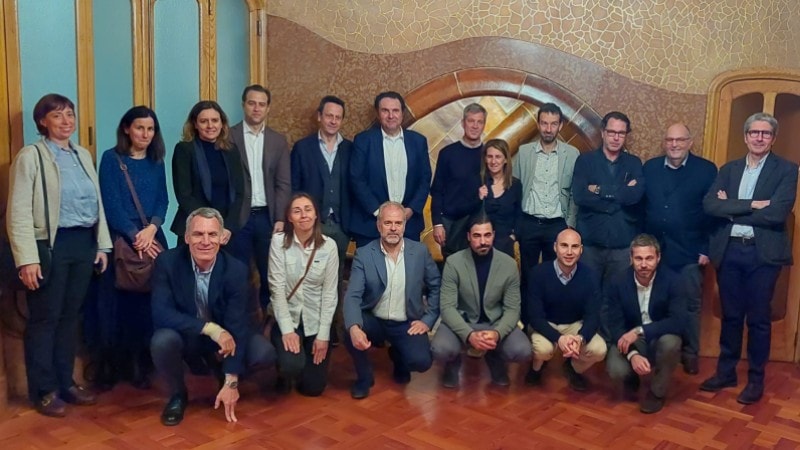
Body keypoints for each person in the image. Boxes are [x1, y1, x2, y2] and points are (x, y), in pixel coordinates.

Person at [7, 93, 112, 417]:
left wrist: (103, 245)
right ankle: (44, 389)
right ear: (43, 121)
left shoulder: (82, 154)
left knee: (70, 318)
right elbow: (19, 212)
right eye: (57, 116)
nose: (66, 121)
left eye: (70, 114)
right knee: (44, 319)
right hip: (48, 247)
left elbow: (97, 204)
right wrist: (26, 259)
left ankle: (66, 382)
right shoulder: (31, 156)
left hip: (83, 243)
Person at [700, 112, 798, 404]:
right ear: (745, 137)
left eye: (765, 134)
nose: (759, 138)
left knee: (758, 319)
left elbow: (777, 213)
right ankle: (726, 372)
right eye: (754, 132)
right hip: (730, 251)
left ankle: (756, 380)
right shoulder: (729, 169)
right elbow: (710, 205)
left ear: (773, 138)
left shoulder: (788, 170)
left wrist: (732, 208)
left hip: (762, 255)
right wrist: (753, 204)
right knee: (731, 316)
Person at [150, 207, 277, 426]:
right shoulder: (167, 262)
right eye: (198, 234)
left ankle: (223, 373)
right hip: (190, 334)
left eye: (212, 234)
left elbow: (236, 325)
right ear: (187, 237)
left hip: (227, 336)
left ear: (222, 238)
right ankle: (178, 395)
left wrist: (232, 380)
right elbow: (161, 313)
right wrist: (211, 329)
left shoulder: (235, 270)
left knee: (263, 353)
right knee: (162, 341)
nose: (205, 241)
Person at [97, 106, 169, 388]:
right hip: (123, 244)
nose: (145, 134)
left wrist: (151, 230)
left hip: (153, 239)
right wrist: (135, 236)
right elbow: (111, 204)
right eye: (140, 128)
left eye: (150, 129)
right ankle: (122, 366)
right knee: (124, 306)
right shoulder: (111, 159)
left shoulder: (156, 160)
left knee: (152, 304)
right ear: (127, 128)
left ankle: (147, 363)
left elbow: (163, 200)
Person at [343, 201, 441, 399]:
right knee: (350, 328)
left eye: (398, 223)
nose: (393, 228)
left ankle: (399, 356)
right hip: (374, 319)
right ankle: (364, 378)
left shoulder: (420, 252)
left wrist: (428, 319)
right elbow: (352, 295)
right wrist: (354, 327)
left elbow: (436, 286)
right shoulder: (364, 254)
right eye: (388, 223)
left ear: (404, 226)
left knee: (422, 361)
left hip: (406, 322)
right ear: (379, 226)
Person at [642, 123, 717, 375]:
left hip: (690, 251)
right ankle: (656, 352)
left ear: (690, 142)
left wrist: (707, 248)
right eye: (670, 140)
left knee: (691, 305)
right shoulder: (650, 168)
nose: (674, 145)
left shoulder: (706, 170)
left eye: (680, 140)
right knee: (655, 303)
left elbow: (713, 214)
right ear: (664, 142)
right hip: (655, 252)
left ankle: (690, 353)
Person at [431, 214, 531, 388]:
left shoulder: (508, 264)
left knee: (522, 350)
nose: (483, 241)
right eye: (477, 236)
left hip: (495, 323)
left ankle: (496, 359)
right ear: (469, 236)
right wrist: (469, 335)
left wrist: (497, 333)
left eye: (487, 235)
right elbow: (447, 307)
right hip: (463, 321)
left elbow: (513, 310)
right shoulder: (454, 263)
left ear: (493, 235)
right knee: (441, 348)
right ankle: (452, 364)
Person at [291, 95, 353, 343]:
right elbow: (295, 187)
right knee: (307, 276)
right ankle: (306, 328)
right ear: (319, 116)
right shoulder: (302, 148)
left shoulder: (349, 148)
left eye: (338, 117)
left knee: (334, 281)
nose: (333, 121)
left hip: (340, 226)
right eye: (329, 116)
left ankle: (332, 329)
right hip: (310, 226)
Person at [605, 234, 686, 414]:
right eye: (638, 258)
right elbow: (614, 324)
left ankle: (657, 392)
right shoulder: (618, 281)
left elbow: (678, 322)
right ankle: (631, 374)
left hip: (659, 336)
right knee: (615, 370)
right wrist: (633, 354)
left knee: (672, 342)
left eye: (649, 258)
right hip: (629, 340)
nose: (643, 264)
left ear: (658, 258)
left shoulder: (674, 280)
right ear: (630, 259)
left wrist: (640, 331)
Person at [268, 193, 338, 396]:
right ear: (289, 217)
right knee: (291, 365)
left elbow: (330, 294)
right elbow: (277, 289)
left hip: (315, 321)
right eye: (296, 211)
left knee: (313, 389)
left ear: (316, 214)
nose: (303, 215)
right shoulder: (278, 242)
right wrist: (288, 331)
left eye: (308, 209)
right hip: (287, 319)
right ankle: (284, 370)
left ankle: (304, 365)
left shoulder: (329, 246)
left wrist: (324, 335)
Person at [229, 85, 291, 309]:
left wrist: (281, 218)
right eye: (252, 103)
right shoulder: (229, 136)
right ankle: (240, 323)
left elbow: (283, 183)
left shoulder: (278, 140)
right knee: (238, 273)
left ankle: (269, 324)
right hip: (238, 218)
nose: (256, 108)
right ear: (243, 105)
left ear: (268, 108)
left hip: (268, 218)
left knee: (270, 274)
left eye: (261, 104)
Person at [525, 228, 606, 391]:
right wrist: (558, 338)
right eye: (564, 246)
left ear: (581, 250)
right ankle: (536, 368)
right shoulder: (538, 273)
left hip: (574, 325)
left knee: (600, 350)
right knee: (543, 350)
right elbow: (535, 317)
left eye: (574, 247)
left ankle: (572, 368)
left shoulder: (590, 276)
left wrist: (580, 339)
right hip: (546, 324)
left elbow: (593, 316)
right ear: (555, 247)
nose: (569, 252)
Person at [349, 91, 432, 246]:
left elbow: (425, 179)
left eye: (395, 110)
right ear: (378, 113)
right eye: (385, 110)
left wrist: (411, 209)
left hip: (408, 225)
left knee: (408, 270)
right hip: (371, 225)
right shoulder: (363, 141)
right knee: (371, 270)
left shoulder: (418, 141)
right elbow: (356, 179)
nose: (391, 115)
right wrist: (379, 213)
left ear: (402, 113)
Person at [572, 111, 644, 287]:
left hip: (622, 244)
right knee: (588, 295)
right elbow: (580, 196)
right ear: (603, 132)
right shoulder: (585, 161)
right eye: (612, 132)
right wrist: (620, 194)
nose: (616, 138)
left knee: (616, 299)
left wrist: (600, 189)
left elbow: (635, 196)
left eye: (621, 133)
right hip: (591, 243)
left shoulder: (634, 163)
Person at [513, 103, 579, 267]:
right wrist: (516, 224)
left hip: (558, 225)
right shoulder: (524, 152)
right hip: (529, 223)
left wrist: (569, 224)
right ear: (538, 124)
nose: (548, 129)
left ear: (560, 125)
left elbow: (574, 193)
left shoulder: (572, 154)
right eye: (544, 123)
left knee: (555, 273)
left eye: (553, 124)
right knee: (528, 275)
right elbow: (513, 189)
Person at [170, 101, 244, 245]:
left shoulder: (231, 150)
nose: (210, 126)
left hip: (226, 231)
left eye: (215, 120)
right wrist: (209, 227)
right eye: (204, 121)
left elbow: (239, 193)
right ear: (195, 124)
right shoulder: (184, 150)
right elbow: (184, 195)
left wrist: (227, 227)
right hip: (195, 229)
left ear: (222, 123)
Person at [430, 103, 487, 258]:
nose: (475, 126)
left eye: (479, 122)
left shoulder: (489, 155)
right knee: (452, 270)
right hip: (451, 222)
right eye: (471, 121)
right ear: (463, 123)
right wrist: (437, 224)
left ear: (484, 125)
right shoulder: (447, 153)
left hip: (479, 223)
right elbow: (437, 191)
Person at [478, 139, 521, 258]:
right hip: (481, 243)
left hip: (505, 243)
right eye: (490, 156)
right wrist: (478, 199)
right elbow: (469, 216)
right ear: (485, 159)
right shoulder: (478, 182)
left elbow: (520, 215)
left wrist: (513, 237)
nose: (493, 161)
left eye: (498, 157)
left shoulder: (515, 185)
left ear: (505, 159)